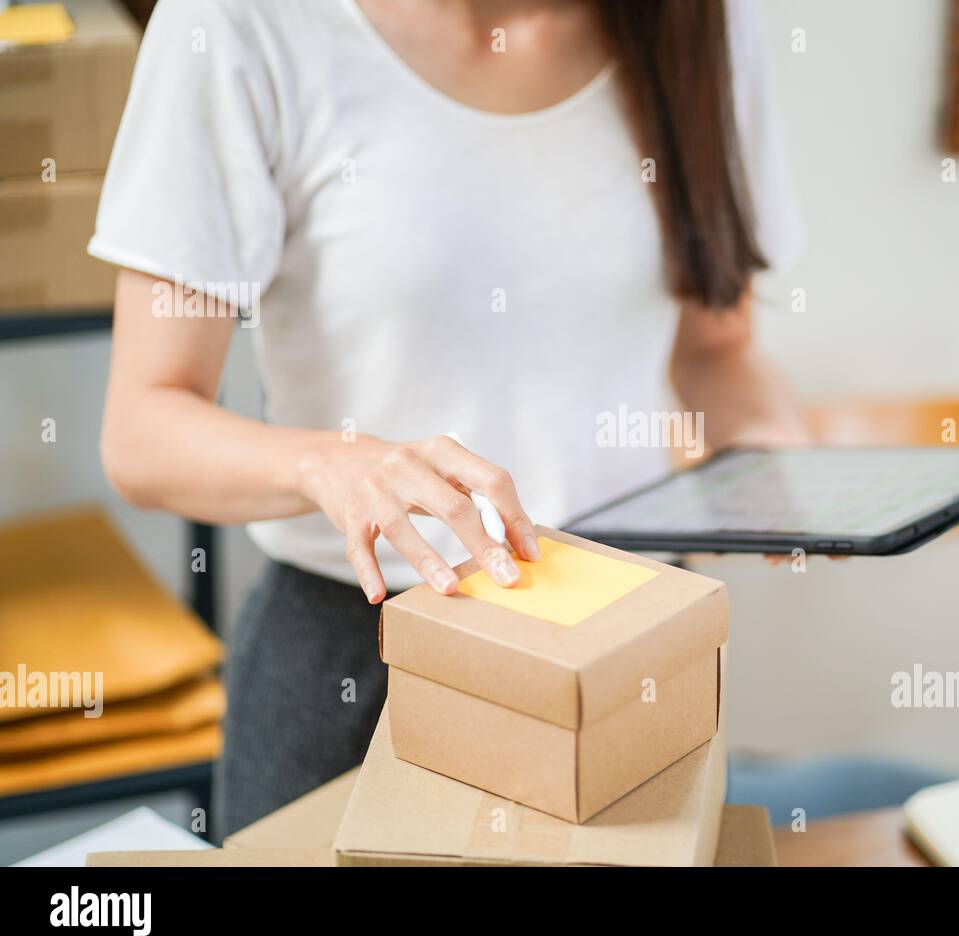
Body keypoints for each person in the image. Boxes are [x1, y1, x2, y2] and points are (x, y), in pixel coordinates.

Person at [93, 0, 809, 839]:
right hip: (362, 651)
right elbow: (142, 432)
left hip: (631, 645)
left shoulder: (700, 22)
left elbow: (716, 349)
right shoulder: (241, 23)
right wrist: (335, 464)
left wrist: (778, 459)